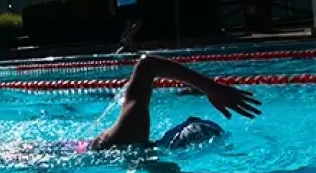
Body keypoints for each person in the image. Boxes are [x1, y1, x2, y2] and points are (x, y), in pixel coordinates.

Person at [85, 53, 261, 151]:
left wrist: (211, 88)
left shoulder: (132, 134)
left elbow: (147, 65)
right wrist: (212, 88)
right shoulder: (132, 136)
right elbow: (146, 63)